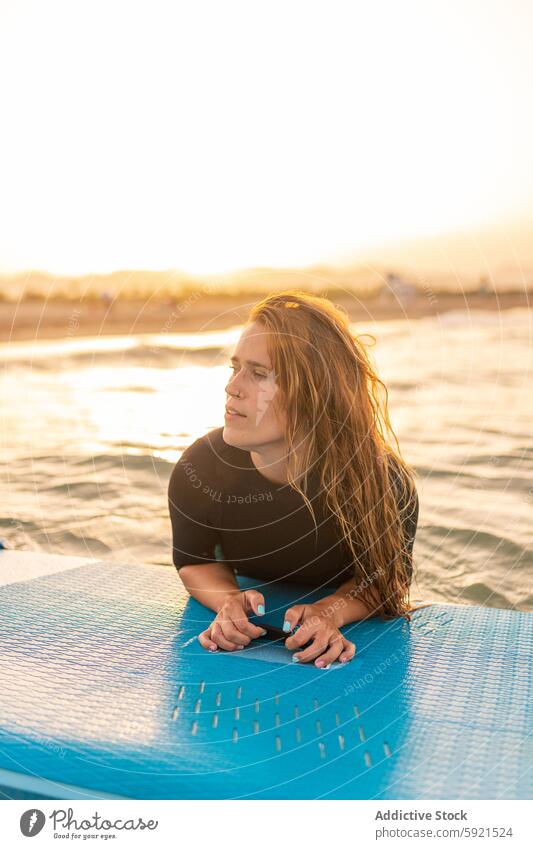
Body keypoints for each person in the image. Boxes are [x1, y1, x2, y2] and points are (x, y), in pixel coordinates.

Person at [168, 289, 419, 667]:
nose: (232, 386)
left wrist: (330, 611)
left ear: (314, 394)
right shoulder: (200, 469)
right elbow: (194, 560)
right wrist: (228, 601)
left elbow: (386, 580)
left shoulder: (382, 481)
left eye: (259, 374)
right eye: (235, 368)